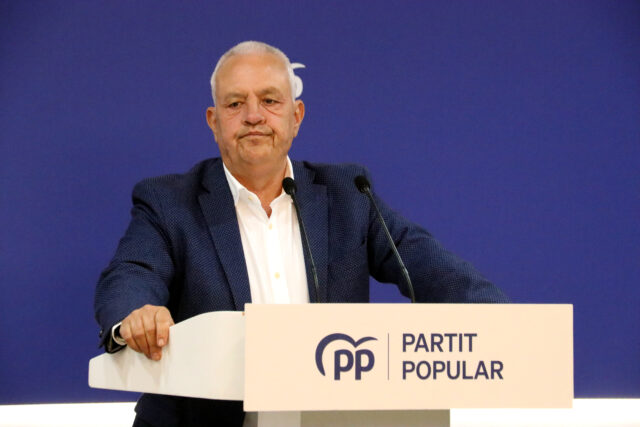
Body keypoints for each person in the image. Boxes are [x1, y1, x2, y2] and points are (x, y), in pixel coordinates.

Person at [94, 40, 508, 427]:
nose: (253, 116)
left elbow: (423, 261)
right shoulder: (170, 201)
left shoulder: (348, 193)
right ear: (214, 121)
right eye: (235, 103)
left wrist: (506, 325)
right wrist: (136, 313)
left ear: (296, 117)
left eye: (270, 100)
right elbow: (132, 273)